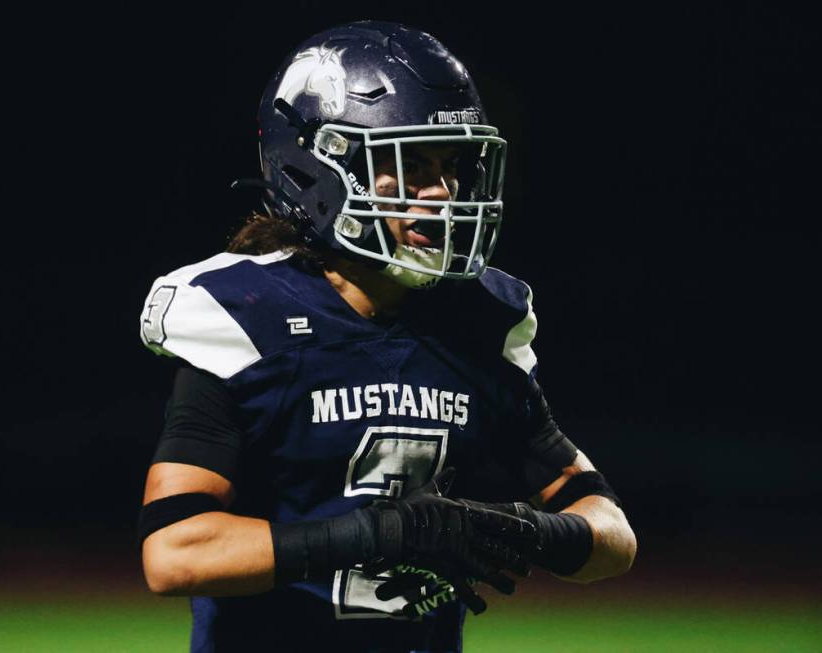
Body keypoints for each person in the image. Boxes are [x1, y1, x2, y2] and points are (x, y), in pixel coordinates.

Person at [137, 20, 636, 653]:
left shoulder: (479, 321)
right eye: (406, 166)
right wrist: (382, 534)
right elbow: (175, 553)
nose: (442, 193)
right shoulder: (248, 315)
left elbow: (612, 537)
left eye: (450, 164)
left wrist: (519, 529)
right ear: (313, 172)